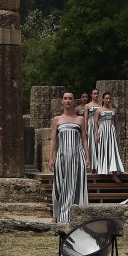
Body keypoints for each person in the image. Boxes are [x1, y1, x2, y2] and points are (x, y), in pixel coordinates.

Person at [48, 91, 90, 224]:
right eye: (65, 98)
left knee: (76, 184)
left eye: (70, 98)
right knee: (59, 184)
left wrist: (88, 158)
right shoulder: (57, 120)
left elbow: (84, 139)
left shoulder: (80, 120)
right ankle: (56, 214)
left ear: (74, 101)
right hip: (62, 156)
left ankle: (75, 214)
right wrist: (50, 158)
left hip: (77, 156)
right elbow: (54, 140)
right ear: (62, 101)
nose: (68, 101)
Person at [94, 92, 124, 182]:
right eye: (106, 98)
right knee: (103, 149)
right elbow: (95, 122)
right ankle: (102, 170)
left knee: (113, 151)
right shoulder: (99, 110)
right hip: (103, 131)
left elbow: (116, 122)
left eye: (109, 98)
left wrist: (117, 133)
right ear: (103, 99)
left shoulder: (113, 110)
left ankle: (114, 174)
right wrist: (97, 133)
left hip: (111, 131)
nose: (108, 100)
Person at [84, 88, 102, 173]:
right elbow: (86, 118)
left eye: (97, 93)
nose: (96, 95)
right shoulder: (87, 105)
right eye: (94, 94)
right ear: (91, 95)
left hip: (99, 125)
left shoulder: (100, 106)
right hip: (91, 125)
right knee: (91, 144)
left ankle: (99, 165)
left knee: (99, 144)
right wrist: (85, 129)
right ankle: (90, 165)